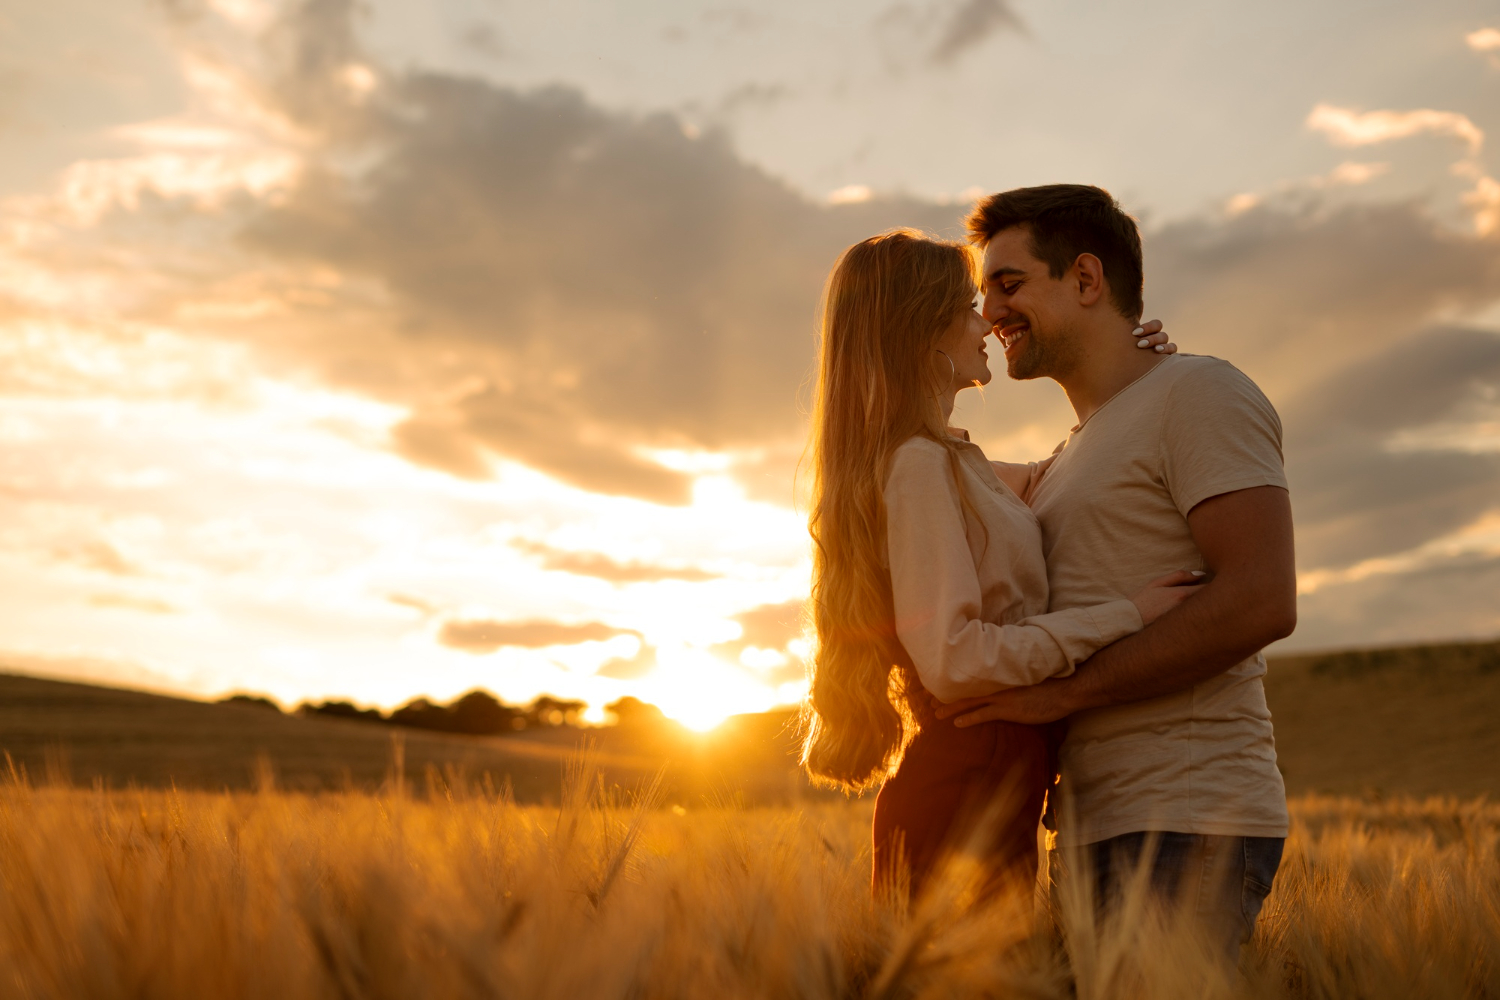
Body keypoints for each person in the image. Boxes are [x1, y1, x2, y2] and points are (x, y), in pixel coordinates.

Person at [937, 184, 1296, 958]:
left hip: (1186, 815)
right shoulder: (1068, 457)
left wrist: (1061, 696)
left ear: (1088, 280)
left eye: (1009, 284)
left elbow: (1262, 600)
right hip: (1095, 824)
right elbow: (930, 474)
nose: (991, 313)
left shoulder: (1199, 392)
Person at [798, 228, 1202, 900]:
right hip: (964, 787)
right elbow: (954, 658)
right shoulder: (920, 466)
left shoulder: (956, 464)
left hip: (992, 781)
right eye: (964, 306)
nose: (984, 319)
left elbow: (1076, 472)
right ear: (918, 332)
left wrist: (1132, 376)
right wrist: (1128, 616)